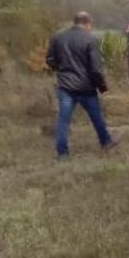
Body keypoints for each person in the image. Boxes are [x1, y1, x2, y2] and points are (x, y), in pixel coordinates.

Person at [47, 12, 116, 157]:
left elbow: (50, 59)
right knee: (97, 117)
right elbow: (95, 68)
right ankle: (106, 143)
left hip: (65, 85)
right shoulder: (91, 39)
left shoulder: (58, 37)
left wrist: (61, 70)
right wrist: (102, 86)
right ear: (87, 23)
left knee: (63, 120)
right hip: (86, 87)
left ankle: (62, 153)